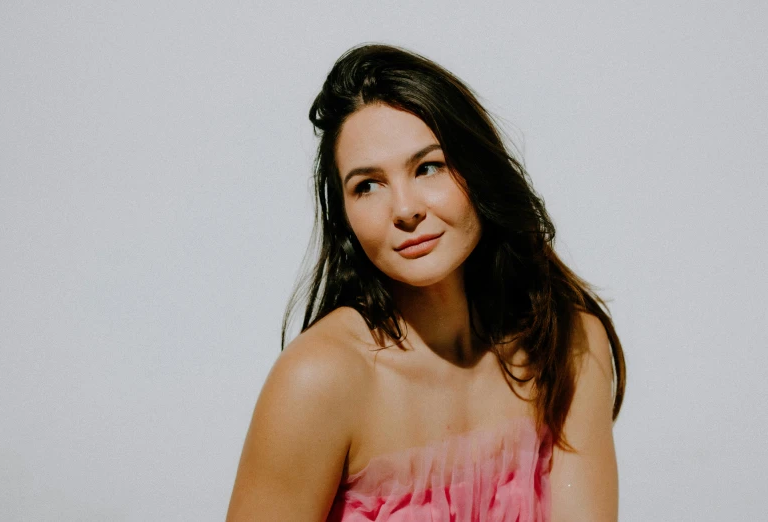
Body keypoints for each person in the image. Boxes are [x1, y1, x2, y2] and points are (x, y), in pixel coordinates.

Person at [226, 43, 626, 522]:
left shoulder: (568, 342)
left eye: (428, 167)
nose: (405, 209)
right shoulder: (319, 382)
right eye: (367, 185)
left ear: (479, 169)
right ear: (345, 217)